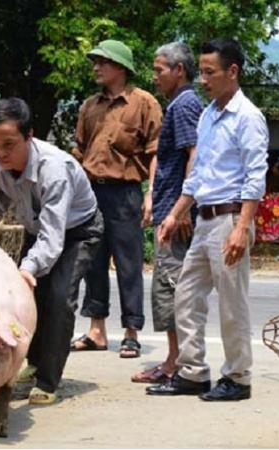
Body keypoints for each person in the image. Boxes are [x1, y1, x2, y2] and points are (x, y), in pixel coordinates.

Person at [0, 98, 104, 405]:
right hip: (38, 231)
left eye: (9, 144)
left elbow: (53, 236)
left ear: (29, 136)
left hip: (78, 231)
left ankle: (48, 381)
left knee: (59, 298)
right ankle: (32, 362)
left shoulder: (54, 169)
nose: (0, 153)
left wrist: (27, 268)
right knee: (28, 300)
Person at [146, 38, 268, 401]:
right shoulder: (209, 115)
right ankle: (193, 372)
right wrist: (174, 214)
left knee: (232, 303)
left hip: (231, 219)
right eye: (201, 72)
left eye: (210, 72)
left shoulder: (248, 118)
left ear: (233, 72)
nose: (203, 80)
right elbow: (197, 175)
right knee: (185, 295)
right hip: (204, 220)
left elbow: (255, 177)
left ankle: (238, 378)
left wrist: (242, 229)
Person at [70, 39, 162, 358]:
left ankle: (131, 332)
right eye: (95, 61)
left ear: (120, 68)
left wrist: (152, 194)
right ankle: (97, 331)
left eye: (103, 62)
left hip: (125, 194)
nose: (96, 67)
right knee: (93, 262)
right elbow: (78, 150)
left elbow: (156, 153)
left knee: (128, 264)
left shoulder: (144, 103)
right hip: (90, 193)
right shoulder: (89, 106)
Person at [130, 42, 203, 384]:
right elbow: (165, 156)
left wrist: (182, 208)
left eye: (160, 70)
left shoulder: (186, 104)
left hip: (177, 213)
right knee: (167, 287)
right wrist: (152, 196)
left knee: (171, 288)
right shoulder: (175, 104)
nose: (154, 76)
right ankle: (173, 359)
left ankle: (176, 363)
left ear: (179, 70)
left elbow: (194, 154)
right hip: (169, 208)